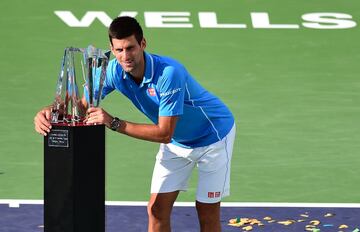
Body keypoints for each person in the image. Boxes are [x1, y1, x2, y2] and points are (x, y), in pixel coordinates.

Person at [34, 16, 236, 232]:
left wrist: (112, 122)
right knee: (156, 210)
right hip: (178, 143)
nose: (125, 56)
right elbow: (80, 106)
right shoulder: (112, 71)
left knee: (206, 212)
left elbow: (164, 133)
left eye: (130, 48)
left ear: (143, 44)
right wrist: (50, 112)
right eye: (119, 50)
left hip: (213, 138)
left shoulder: (169, 74)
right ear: (111, 49)